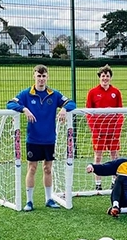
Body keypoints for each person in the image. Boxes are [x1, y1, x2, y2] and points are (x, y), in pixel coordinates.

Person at [7, 64, 77, 211]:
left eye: (44, 76)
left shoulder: (54, 94)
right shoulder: (26, 94)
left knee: (47, 169)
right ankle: (29, 201)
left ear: (47, 77)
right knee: (32, 168)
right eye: (39, 76)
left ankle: (48, 199)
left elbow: (72, 103)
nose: (41, 79)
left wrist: (64, 108)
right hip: (33, 139)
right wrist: (24, 109)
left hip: (49, 139)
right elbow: (10, 104)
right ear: (34, 76)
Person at [86, 64, 124, 191]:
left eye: (107, 76)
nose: (105, 78)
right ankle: (98, 183)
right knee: (98, 156)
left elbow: (120, 112)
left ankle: (114, 181)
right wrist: (94, 129)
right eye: (103, 76)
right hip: (99, 131)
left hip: (112, 131)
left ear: (110, 78)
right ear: (99, 77)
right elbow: (89, 113)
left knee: (114, 156)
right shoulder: (92, 92)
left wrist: (117, 130)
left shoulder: (116, 92)